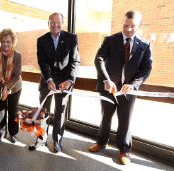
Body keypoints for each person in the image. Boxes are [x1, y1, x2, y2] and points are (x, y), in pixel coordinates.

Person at [89, 10, 152, 165]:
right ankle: (101, 142)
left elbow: (146, 68)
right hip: (108, 88)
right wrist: (106, 79)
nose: (128, 29)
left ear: (139, 25)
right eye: (125, 25)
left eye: (132, 26)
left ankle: (124, 150)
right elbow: (99, 59)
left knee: (125, 121)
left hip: (128, 91)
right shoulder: (110, 40)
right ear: (122, 22)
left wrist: (133, 85)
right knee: (105, 117)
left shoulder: (144, 45)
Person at [29, 12, 80, 153]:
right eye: (52, 22)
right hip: (47, 82)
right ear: (48, 24)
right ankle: (41, 139)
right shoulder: (41, 40)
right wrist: (49, 79)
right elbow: (43, 63)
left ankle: (57, 141)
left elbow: (75, 62)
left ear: (63, 24)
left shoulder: (71, 38)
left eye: (58, 22)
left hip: (65, 83)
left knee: (60, 113)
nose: (55, 25)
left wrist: (70, 80)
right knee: (43, 112)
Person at [0, 28, 22, 143]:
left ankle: (13, 133)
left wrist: (7, 87)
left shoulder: (17, 55)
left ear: (12, 41)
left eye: (8, 41)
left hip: (14, 88)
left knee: (13, 110)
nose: (5, 44)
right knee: (1, 109)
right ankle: (2, 133)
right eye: (3, 41)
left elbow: (17, 75)